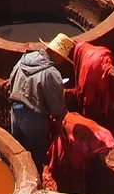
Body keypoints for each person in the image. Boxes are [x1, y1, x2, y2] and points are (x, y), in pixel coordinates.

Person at [8, 33, 73, 168]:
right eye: (62, 59)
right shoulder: (51, 73)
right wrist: (61, 116)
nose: (61, 62)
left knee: (16, 153)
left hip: (15, 111)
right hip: (34, 120)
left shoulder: (24, 59)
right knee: (34, 158)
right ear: (57, 55)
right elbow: (56, 107)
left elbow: (12, 78)